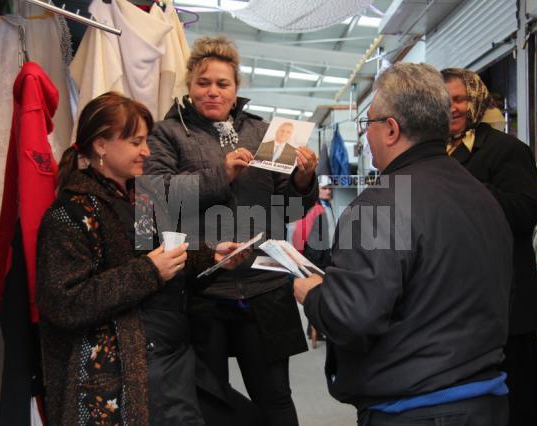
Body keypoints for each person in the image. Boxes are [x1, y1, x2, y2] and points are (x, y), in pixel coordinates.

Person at [293, 63, 514, 426]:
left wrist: (314, 294)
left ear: (391, 129)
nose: (365, 138)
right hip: (487, 401)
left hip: (414, 408)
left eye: (368, 126)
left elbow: (354, 318)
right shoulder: (482, 195)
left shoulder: (380, 204)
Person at [36, 92, 252, 426]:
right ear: (101, 145)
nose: (147, 152)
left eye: (146, 141)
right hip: (123, 374)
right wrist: (149, 271)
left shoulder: (141, 197)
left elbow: (160, 251)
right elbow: (64, 303)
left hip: (169, 355)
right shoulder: (71, 214)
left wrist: (213, 256)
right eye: (136, 142)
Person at [144, 35, 318, 425]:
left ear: (236, 88)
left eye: (222, 84)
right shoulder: (168, 134)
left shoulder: (267, 134)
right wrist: (218, 174)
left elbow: (288, 209)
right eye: (203, 83)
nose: (212, 91)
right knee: (209, 401)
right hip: (201, 290)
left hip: (264, 287)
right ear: (189, 86)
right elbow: (154, 199)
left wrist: (304, 181)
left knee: (276, 398)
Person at [441, 67, 537, 425]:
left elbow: (525, 212)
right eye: (445, 101)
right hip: (459, 305)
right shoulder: (435, 155)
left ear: (477, 101)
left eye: (460, 99)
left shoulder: (507, 150)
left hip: (507, 304)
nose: (453, 108)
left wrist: (472, 189)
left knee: (516, 405)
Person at [292, 184, 335, 347]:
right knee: (319, 291)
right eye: (324, 188)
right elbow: (303, 232)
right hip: (317, 256)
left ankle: (313, 329)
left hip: (317, 255)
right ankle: (316, 329)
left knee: (317, 291)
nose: (328, 191)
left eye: (330, 188)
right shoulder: (317, 209)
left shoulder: (322, 207)